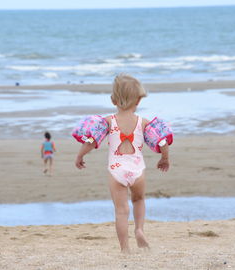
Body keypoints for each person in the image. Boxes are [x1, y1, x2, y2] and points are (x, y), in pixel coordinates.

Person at [72, 74, 173, 253]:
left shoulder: (108, 122)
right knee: (139, 200)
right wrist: (164, 158)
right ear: (139, 100)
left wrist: (80, 156)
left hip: (116, 170)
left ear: (113, 100)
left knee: (121, 210)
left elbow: (90, 141)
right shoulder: (143, 123)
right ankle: (139, 230)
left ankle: (125, 249)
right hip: (137, 170)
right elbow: (162, 141)